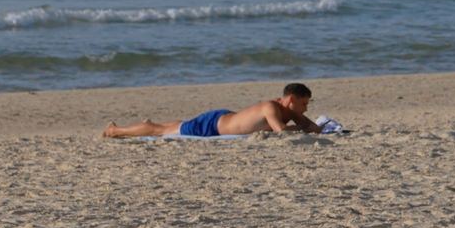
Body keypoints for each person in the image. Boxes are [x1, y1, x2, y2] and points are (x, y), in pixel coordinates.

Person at [103, 83, 321, 138]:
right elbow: (282, 132)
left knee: (174, 126)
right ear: (291, 99)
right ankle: (115, 131)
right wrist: (303, 128)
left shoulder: (288, 109)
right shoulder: (271, 107)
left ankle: (145, 124)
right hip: (213, 126)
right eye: (304, 104)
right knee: (159, 131)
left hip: (221, 119)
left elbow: (312, 126)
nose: (306, 109)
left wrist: (306, 124)